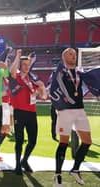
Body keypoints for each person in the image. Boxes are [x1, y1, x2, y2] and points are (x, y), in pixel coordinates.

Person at [50, 48, 92, 186]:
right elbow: (56, 87)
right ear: (63, 57)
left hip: (80, 109)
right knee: (64, 142)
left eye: (74, 54)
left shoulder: (80, 72)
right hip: (66, 111)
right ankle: (57, 174)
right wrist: (67, 100)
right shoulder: (60, 72)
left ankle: (75, 169)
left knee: (87, 141)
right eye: (70, 54)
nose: (73, 56)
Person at [10, 49, 46, 175]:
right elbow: (12, 71)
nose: (26, 66)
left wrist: (42, 88)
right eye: (24, 64)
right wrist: (18, 56)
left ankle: (24, 161)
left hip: (31, 112)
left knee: (33, 141)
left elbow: (44, 97)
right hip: (19, 112)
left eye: (28, 64)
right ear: (20, 65)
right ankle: (17, 165)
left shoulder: (32, 79)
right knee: (19, 140)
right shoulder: (17, 77)